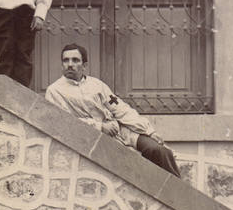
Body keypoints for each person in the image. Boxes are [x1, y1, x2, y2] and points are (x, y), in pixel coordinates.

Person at [45, 43, 180, 176]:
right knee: (133, 164)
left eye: (75, 60)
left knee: (159, 151)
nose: (70, 64)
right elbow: (65, 122)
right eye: (66, 60)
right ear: (61, 64)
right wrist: (100, 127)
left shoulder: (96, 85)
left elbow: (120, 109)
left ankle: (177, 189)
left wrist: (148, 130)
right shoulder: (54, 91)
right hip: (92, 139)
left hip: (119, 131)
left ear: (84, 65)